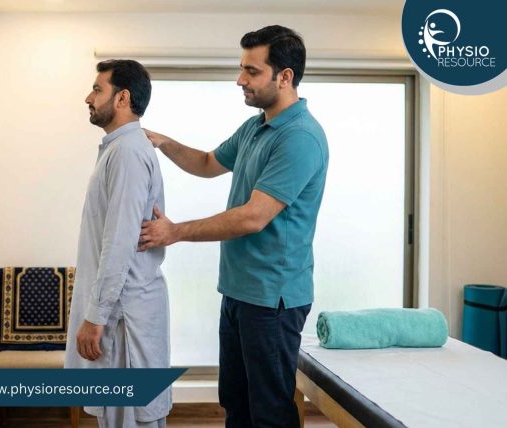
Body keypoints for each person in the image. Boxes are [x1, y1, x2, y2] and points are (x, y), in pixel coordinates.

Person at [138, 25, 329, 428]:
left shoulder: (299, 137)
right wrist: (161, 142)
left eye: (252, 71)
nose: (240, 79)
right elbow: (208, 163)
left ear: (285, 76)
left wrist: (175, 231)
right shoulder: (257, 126)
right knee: (237, 404)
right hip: (240, 291)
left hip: (272, 299)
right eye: (241, 68)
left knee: (270, 411)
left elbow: (253, 216)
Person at [65, 59, 171, 428]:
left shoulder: (126, 152)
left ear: (122, 97)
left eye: (97, 89)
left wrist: (95, 317)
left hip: (124, 314)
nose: (88, 97)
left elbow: (120, 241)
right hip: (125, 308)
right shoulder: (120, 148)